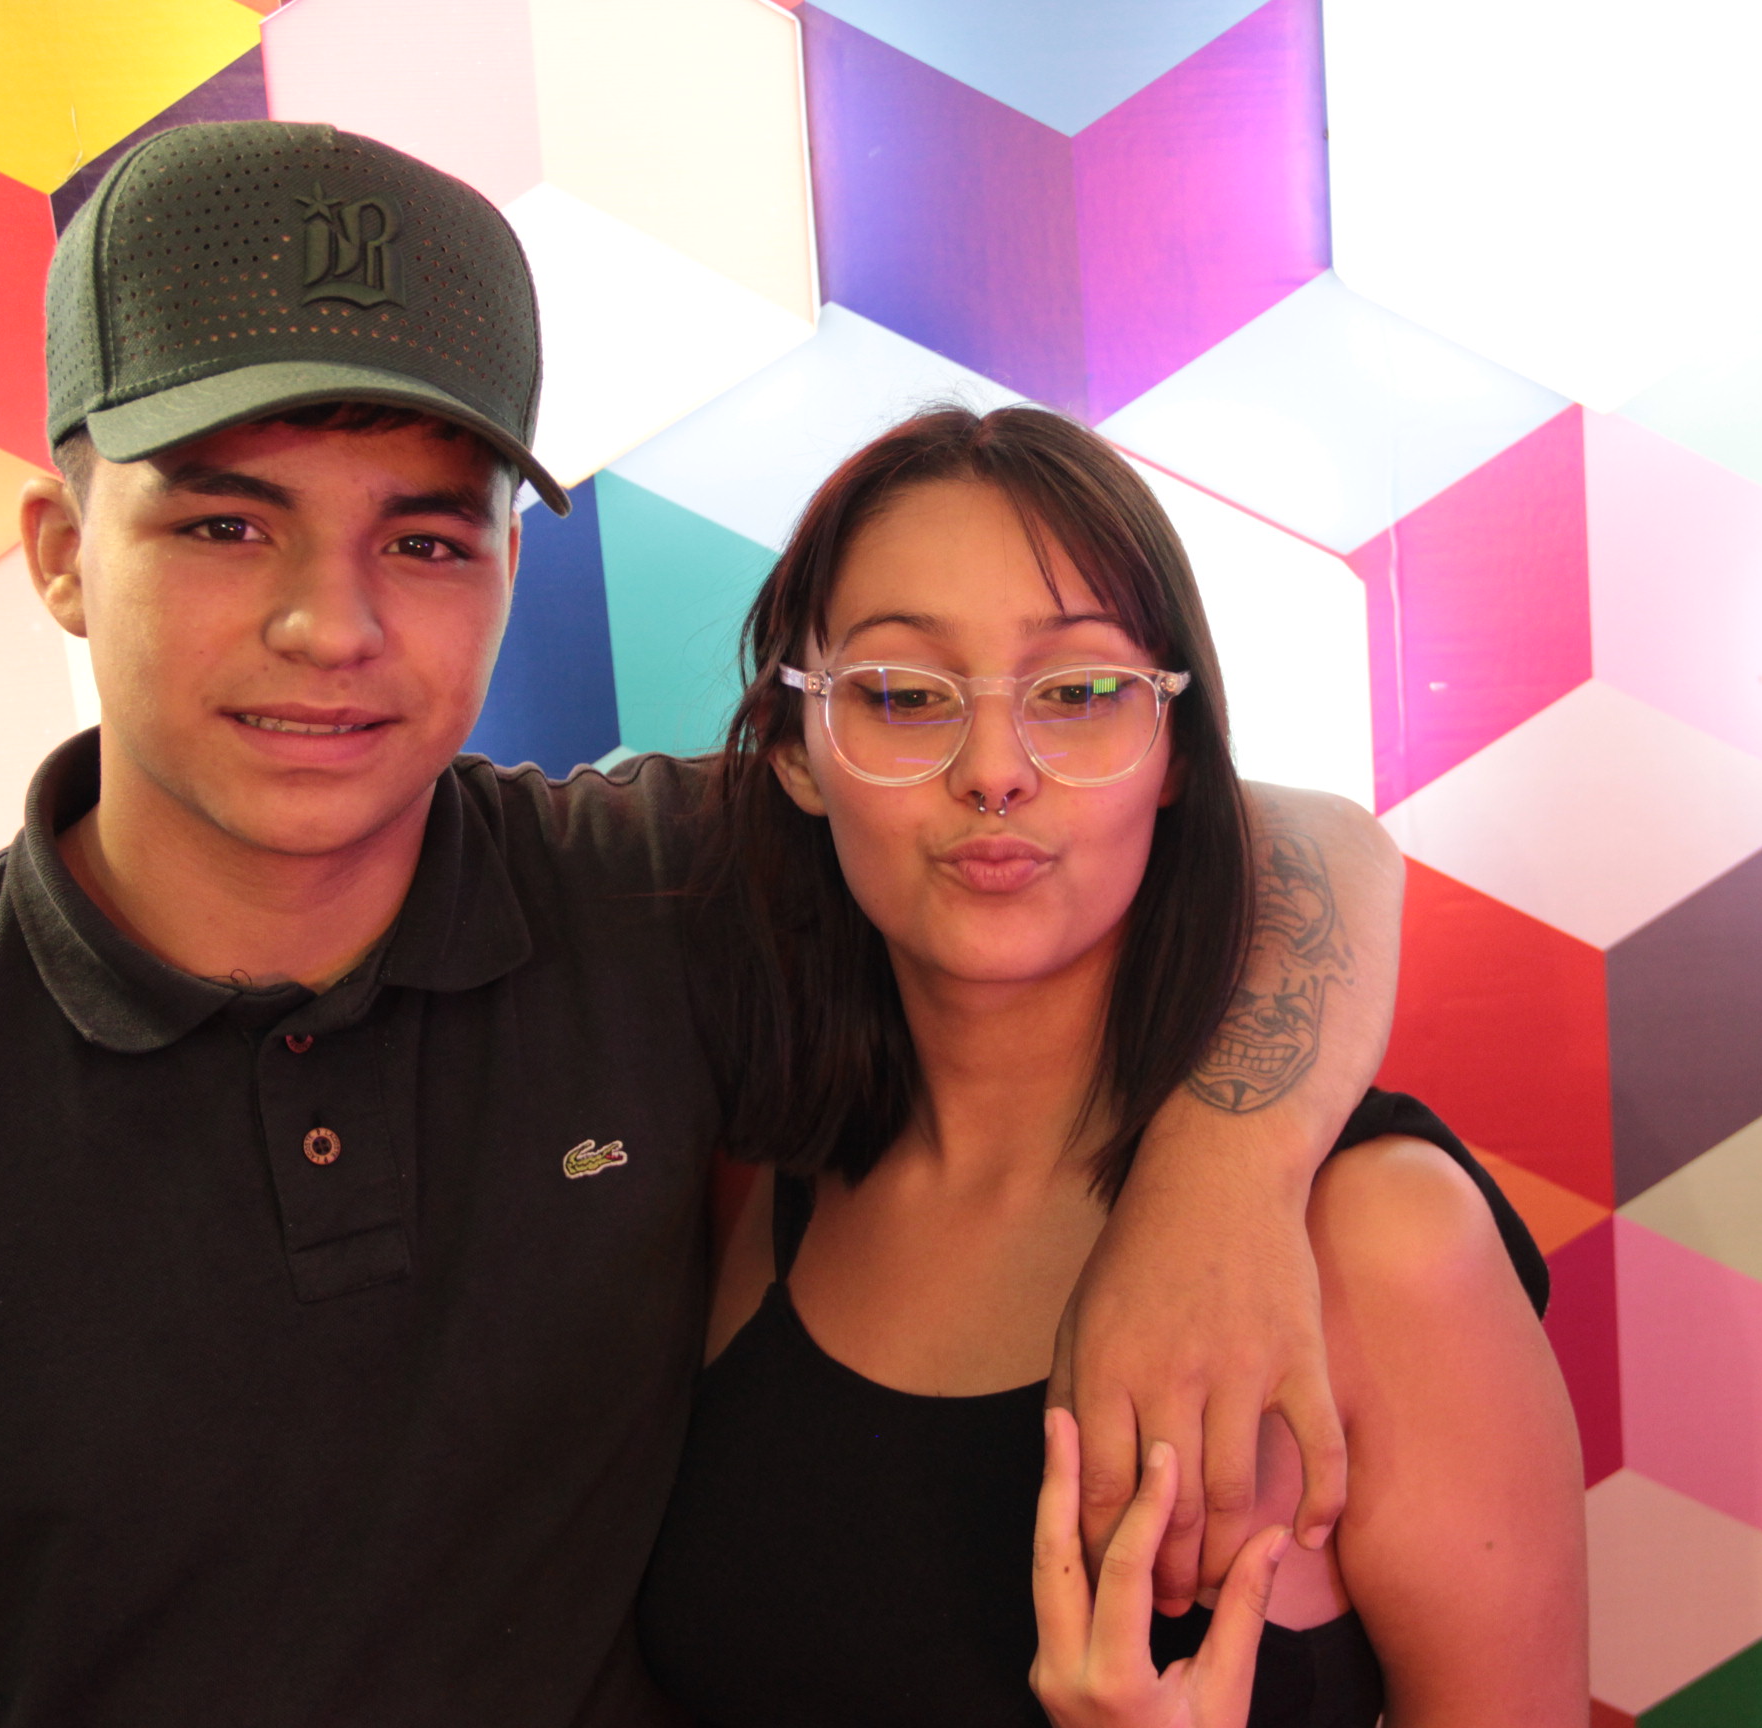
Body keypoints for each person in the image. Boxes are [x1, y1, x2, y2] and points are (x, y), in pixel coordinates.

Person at [0, 122, 1408, 1725]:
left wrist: (1221, 1195)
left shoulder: (654, 897)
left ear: (507, 567)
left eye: (424, 540)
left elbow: (1291, 844)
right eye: (224, 526)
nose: (331, 625)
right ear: (62, 553)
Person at [634, 407, 1588, 1726]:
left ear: (1178, 750)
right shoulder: (761, 1177)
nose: (993, 774)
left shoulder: (1383, 1239)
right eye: (903, 695)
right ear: (799, 752)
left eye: (1079, 695)